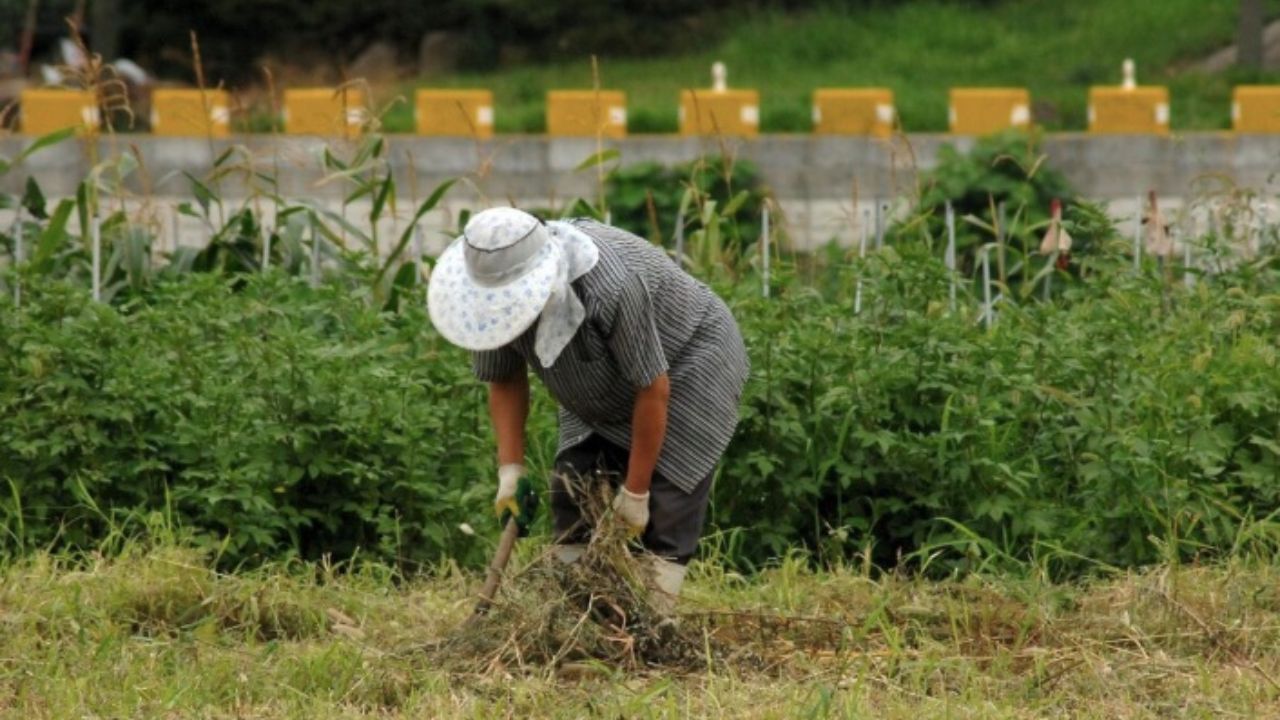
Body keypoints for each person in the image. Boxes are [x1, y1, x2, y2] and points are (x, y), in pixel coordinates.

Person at [427, 207, 749, 611]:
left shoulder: (610, 285)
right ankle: (579, 617)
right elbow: (504, 379)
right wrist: (510, 472)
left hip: (688, 361)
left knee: (665, 508)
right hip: (598, 376)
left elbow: (652, 388)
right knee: (572, 488)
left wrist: (636, 492)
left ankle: (651, 625)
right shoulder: (486, 301)